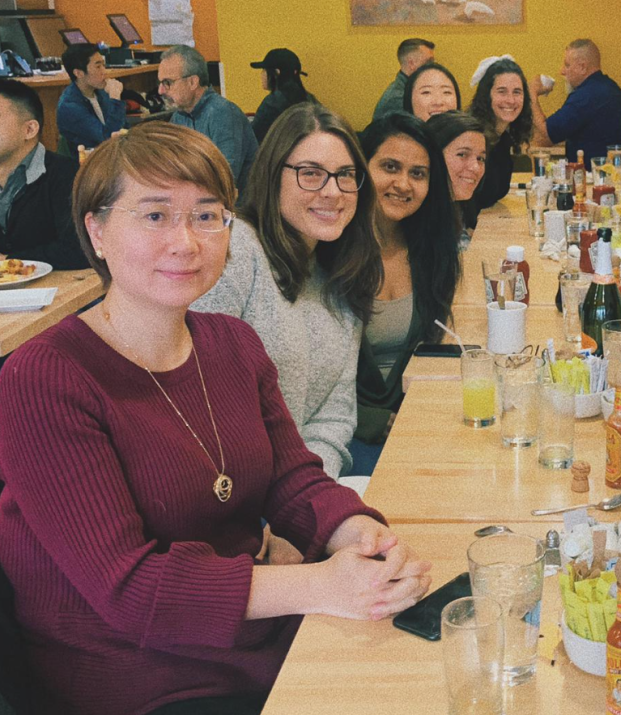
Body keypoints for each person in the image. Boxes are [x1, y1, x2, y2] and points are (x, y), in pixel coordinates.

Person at [0, 122, 430, 715]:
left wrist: (360, 535)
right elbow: (129, 590)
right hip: (144, 675)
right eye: (155, 215)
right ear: (96, 231)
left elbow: (293, 479)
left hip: (255, 634)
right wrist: (320, 584)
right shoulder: (44, 376)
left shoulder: (232, 342)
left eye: (207, 216)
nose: (186, 242)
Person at [193, 103, 381, 479]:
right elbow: (196, 403)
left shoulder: (341, 277)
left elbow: (333, 417)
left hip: (298, 487)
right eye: (311, 173)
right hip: (221, 488)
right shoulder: (237, 249)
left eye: (346, 175)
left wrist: (310, 490)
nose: (333, 191)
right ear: (273, 174)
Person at [353, 115, 461, 475]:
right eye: (390, 167)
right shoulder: (332, 252)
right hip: (348, 436)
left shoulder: (431, 251)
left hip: (412, 423)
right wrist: (369, 420)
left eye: (418, 174)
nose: (403, 184)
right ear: (362, 167)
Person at [0, 79, 86, 269]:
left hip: (60, 285)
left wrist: (9, 260)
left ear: (30, 129)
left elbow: (79, 250)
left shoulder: (67, 175)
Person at [159, 45, 259, 193]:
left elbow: (225, 178)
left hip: (235, 204)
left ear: (193, 82)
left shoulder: (223, 114)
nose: (160, 90)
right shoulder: (179, 117)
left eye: (167, 83)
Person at [527, 39, 621, 168]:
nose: (562, 71)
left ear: (582, 67)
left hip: (595, 175)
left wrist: (531, 93)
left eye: (567, 65)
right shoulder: (608, 87)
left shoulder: (586, 96)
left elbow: (547, 132)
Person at [469, 56, 532, 210]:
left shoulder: (504, 138)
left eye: (517, 92)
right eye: (502, 92)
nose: (511, 100)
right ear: (487, 95)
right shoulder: (472, 138)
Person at [426, 110, 487, 245]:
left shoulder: (452, 208)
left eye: (480, 158)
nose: (476, 167)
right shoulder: (413, 218)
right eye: (462, 154)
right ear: (432, 155)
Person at [56, 42, 126, 150]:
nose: (104, 71)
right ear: (78, 73)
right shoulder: (69, 106)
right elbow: (108, 139)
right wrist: (115, 99)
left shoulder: (100, 92)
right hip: (89, 158)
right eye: (98, 67)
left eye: (103, 65)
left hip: (110, 153)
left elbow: (122, 128)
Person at [250, 47, 317, 143]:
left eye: (264, 70)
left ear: (277, 72)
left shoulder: (271, 103)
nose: (262, 74)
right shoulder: (310, 99)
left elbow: (252, 138)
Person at [372, 38, 435, 120]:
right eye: (428, 62)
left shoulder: (411, 90)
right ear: (411, 64)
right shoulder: (398, 99)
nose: (433, 67)